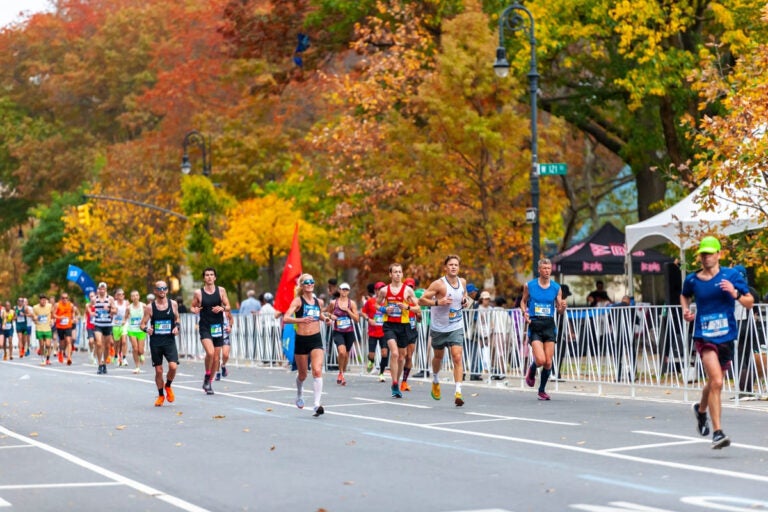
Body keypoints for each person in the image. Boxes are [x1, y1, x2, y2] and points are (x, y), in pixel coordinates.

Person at [681, 236, 753, 449]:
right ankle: (718, 432)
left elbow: (749, 302)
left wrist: (735, 293)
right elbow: (684, 296)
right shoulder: (693, 280)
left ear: (719, 254)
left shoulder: (731, 276)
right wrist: (686, 310)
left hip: (726, 336)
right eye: (703, 254)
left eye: (710, 253)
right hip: (704, 337)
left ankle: (701, 411)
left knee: (714, 382)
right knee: (718, 383)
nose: (706, 257)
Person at [417, 255, 472, 407]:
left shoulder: (462, 282)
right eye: (451, 265)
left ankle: (458, 392)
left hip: (456, 325)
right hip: (439, 328)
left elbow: (464, 295)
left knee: (457, 357)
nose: (454, 267)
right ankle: (435, 379)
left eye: (456, 265)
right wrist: (438, 302)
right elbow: (421, 300)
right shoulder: (438, 284)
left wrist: (465, 301)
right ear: (446, 267)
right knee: (438, 357)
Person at [283, 273, 332, 416]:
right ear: (302, 286)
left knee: (317, 370)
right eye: (306, 282)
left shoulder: (319, 302)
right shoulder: (298, 301)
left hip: (316, 339)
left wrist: (325, 319)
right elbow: (286, 318)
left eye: (312, 281)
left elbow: (318, 315)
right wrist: (301, 320)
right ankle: (299, 394)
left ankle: (317, 405)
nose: (310, 284)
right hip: (302, 340)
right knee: (303, 375)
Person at [521, 258, 567, 401]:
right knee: (540, 360)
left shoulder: (556, 288)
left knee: (548, 362)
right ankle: (532, 370)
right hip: (535, 324)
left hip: (549, 325)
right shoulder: (530, 285)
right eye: (544, 268)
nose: (547, 271)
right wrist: (525, 313)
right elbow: (523, 302)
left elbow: (559, 310)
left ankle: (542, 390)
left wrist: (562, 308)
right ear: (539, 270)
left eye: (549, 268)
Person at [378, 263, 420, 399]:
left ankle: (397, 379)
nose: (397, 274)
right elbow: (377, 304)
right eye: (395, 272)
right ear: (390, 274)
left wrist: (407, 307)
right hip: (389, 325)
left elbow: (418, 308)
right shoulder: (384, 291)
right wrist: (385, 309)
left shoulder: (408, 290)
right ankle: (395, 383)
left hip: (404, 326)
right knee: (394, 353)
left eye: (399, 272)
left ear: (402, 274)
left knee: (402, 357)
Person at [190, 267, 232, 395]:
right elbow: (192, 306)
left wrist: (222, 308)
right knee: (210, 352)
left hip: (218, 327)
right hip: (205, 326)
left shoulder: (221, 290)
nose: (209, 277)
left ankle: (208, 381)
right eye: (207, 275)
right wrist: (195, 310)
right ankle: (207, 375)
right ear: (204, 278)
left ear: (215, 277)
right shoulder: (199, 293)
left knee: (216, 359)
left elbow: (229, 306)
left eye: (211, 275)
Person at [140, 280, 180, 407]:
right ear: (155, 291)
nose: (162, 290)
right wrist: (147, 329)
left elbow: (177, 318)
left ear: (167, 290)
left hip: (169, 341)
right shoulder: (150, 307)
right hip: (156, 342)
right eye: (159, 289)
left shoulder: (173, 304)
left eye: (164, 288)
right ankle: (161, 395)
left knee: (173, 367)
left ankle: (168, 385)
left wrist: (177, 327)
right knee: (158, 371)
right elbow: (142, 324)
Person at [327, 282, 359, 386]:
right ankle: (340, 372)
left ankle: (342, 373)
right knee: (341, 352)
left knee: (346, 355)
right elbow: (328, 313)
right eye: (342, 289)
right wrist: (331, 317)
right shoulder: (333, 303)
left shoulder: (352, 303)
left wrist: (348, 311)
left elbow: (357, 319)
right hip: (338, 332)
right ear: (339, 290)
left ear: (348, 292)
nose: (344, 291)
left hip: (349, 332)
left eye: (346, 290)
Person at [362, 282, 389, 382]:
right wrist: (368, 319)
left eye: (383, 289)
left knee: (385, 353)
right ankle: (371, 361)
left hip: (384, 331)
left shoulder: (387, 302)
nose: (381, 291)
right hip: (373, 332)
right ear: (375, 291)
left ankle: (381, 373)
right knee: (372, 354)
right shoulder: (370, 301)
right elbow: (363, 312)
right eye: (379, 289)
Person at [400, 277, 421, 391]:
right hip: (402, 329)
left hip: (412, 330)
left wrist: (418, 314)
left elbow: (420, 319)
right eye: (408, 287)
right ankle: (396, 376)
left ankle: (404, 381)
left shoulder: (415, 301)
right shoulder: (401, 300)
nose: (409, 289)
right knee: (401, 356)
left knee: (409, 356)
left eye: (411, 287)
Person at [92, 282, 116, 374]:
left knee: (106, 346)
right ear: (98, 289)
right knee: (98, 344)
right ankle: (99, 364)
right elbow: (90, 307)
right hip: (98, 324)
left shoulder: (110, 299)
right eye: (100, 289)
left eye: (103, 289)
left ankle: (104, 364)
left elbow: (115, 310)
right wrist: (92, 313)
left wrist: (109, 309)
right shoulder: (94, 299)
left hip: (107, 324)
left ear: (106, 290)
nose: (102, 290)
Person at [53, 293, 79, 365]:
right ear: (61, 299)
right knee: (62, 342)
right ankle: (60, 352)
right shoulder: (57, 305)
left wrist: (74, 319)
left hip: (68, 326)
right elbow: (53, 314)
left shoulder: (70, 305)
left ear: (68, 298)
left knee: (68, 341)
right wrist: (59, 317)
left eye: (66, 298)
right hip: (60, 326)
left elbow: (74, 313)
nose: (65, 299)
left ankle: (69, 357)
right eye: (63, 298)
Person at [126, 290, 147, 374]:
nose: (135, 297)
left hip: (141, 330)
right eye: (133, 296)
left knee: (140, 350)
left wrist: (145, 323)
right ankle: (137, 367)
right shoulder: (129, 307)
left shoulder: (143, 306)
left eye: (136, 295)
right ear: (131, 298)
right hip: (132, 330)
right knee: (135, 348)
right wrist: (124, 321)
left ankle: (141, 354)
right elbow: (125, 316)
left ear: (139, 297)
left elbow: (147, 315)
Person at [33, 294, 54, 365]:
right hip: (39, 329)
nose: (44, 301)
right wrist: (35, 319)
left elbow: (53, 314)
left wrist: (52, 320)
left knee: (48, 345)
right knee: (41, 345)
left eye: (45, 300)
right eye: (42, 300)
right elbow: (34, 318)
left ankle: (47, 358)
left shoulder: (49, 306)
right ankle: (43, 359)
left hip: (47, 328)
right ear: (39, 300)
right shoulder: (35, 307)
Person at [214, 309, 234, 381]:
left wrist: (230, 327)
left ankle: (223, 365)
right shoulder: (212, 311)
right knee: (216, 357)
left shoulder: (226, 311)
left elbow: (231, 319)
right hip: (216, 336)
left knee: (226, 355)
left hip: (225, 336)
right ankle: (217, 372)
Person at [112, 289, 129, 367]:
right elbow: (111, 312)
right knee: (117, 343)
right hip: (115, 324)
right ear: (116, 296)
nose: (121, 296)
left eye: (122, 294)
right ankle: (116, 356)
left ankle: (124, 358)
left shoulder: (126, 303)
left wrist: (125, 320)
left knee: (124, 341)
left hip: (124, 324)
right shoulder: (114, 303)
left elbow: (128, 313)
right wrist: (113, 311)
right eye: (119, 294)